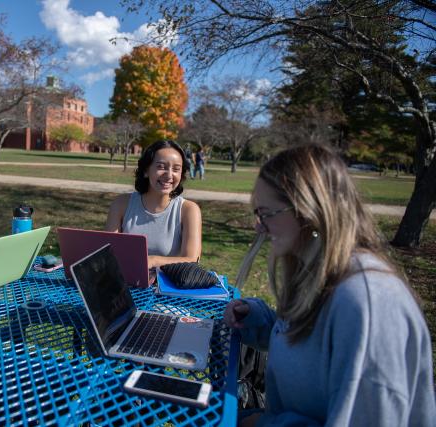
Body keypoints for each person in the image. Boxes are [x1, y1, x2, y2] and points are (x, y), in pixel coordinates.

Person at [224, 144, 435, 426]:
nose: (259, 227)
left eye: (266, 214)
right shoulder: (316, 275)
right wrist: (257, 320)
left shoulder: (368, 302)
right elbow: (311, 348)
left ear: (309, 209)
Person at [105, 140, 202, 269]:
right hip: (125, 282)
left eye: (176, 169)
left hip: (169, 286)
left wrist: (153, 261)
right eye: (161, 167)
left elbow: (192, 260)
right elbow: (109, 253)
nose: (169, 175)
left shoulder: (189, 210)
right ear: (146, 170)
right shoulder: (121, 204)